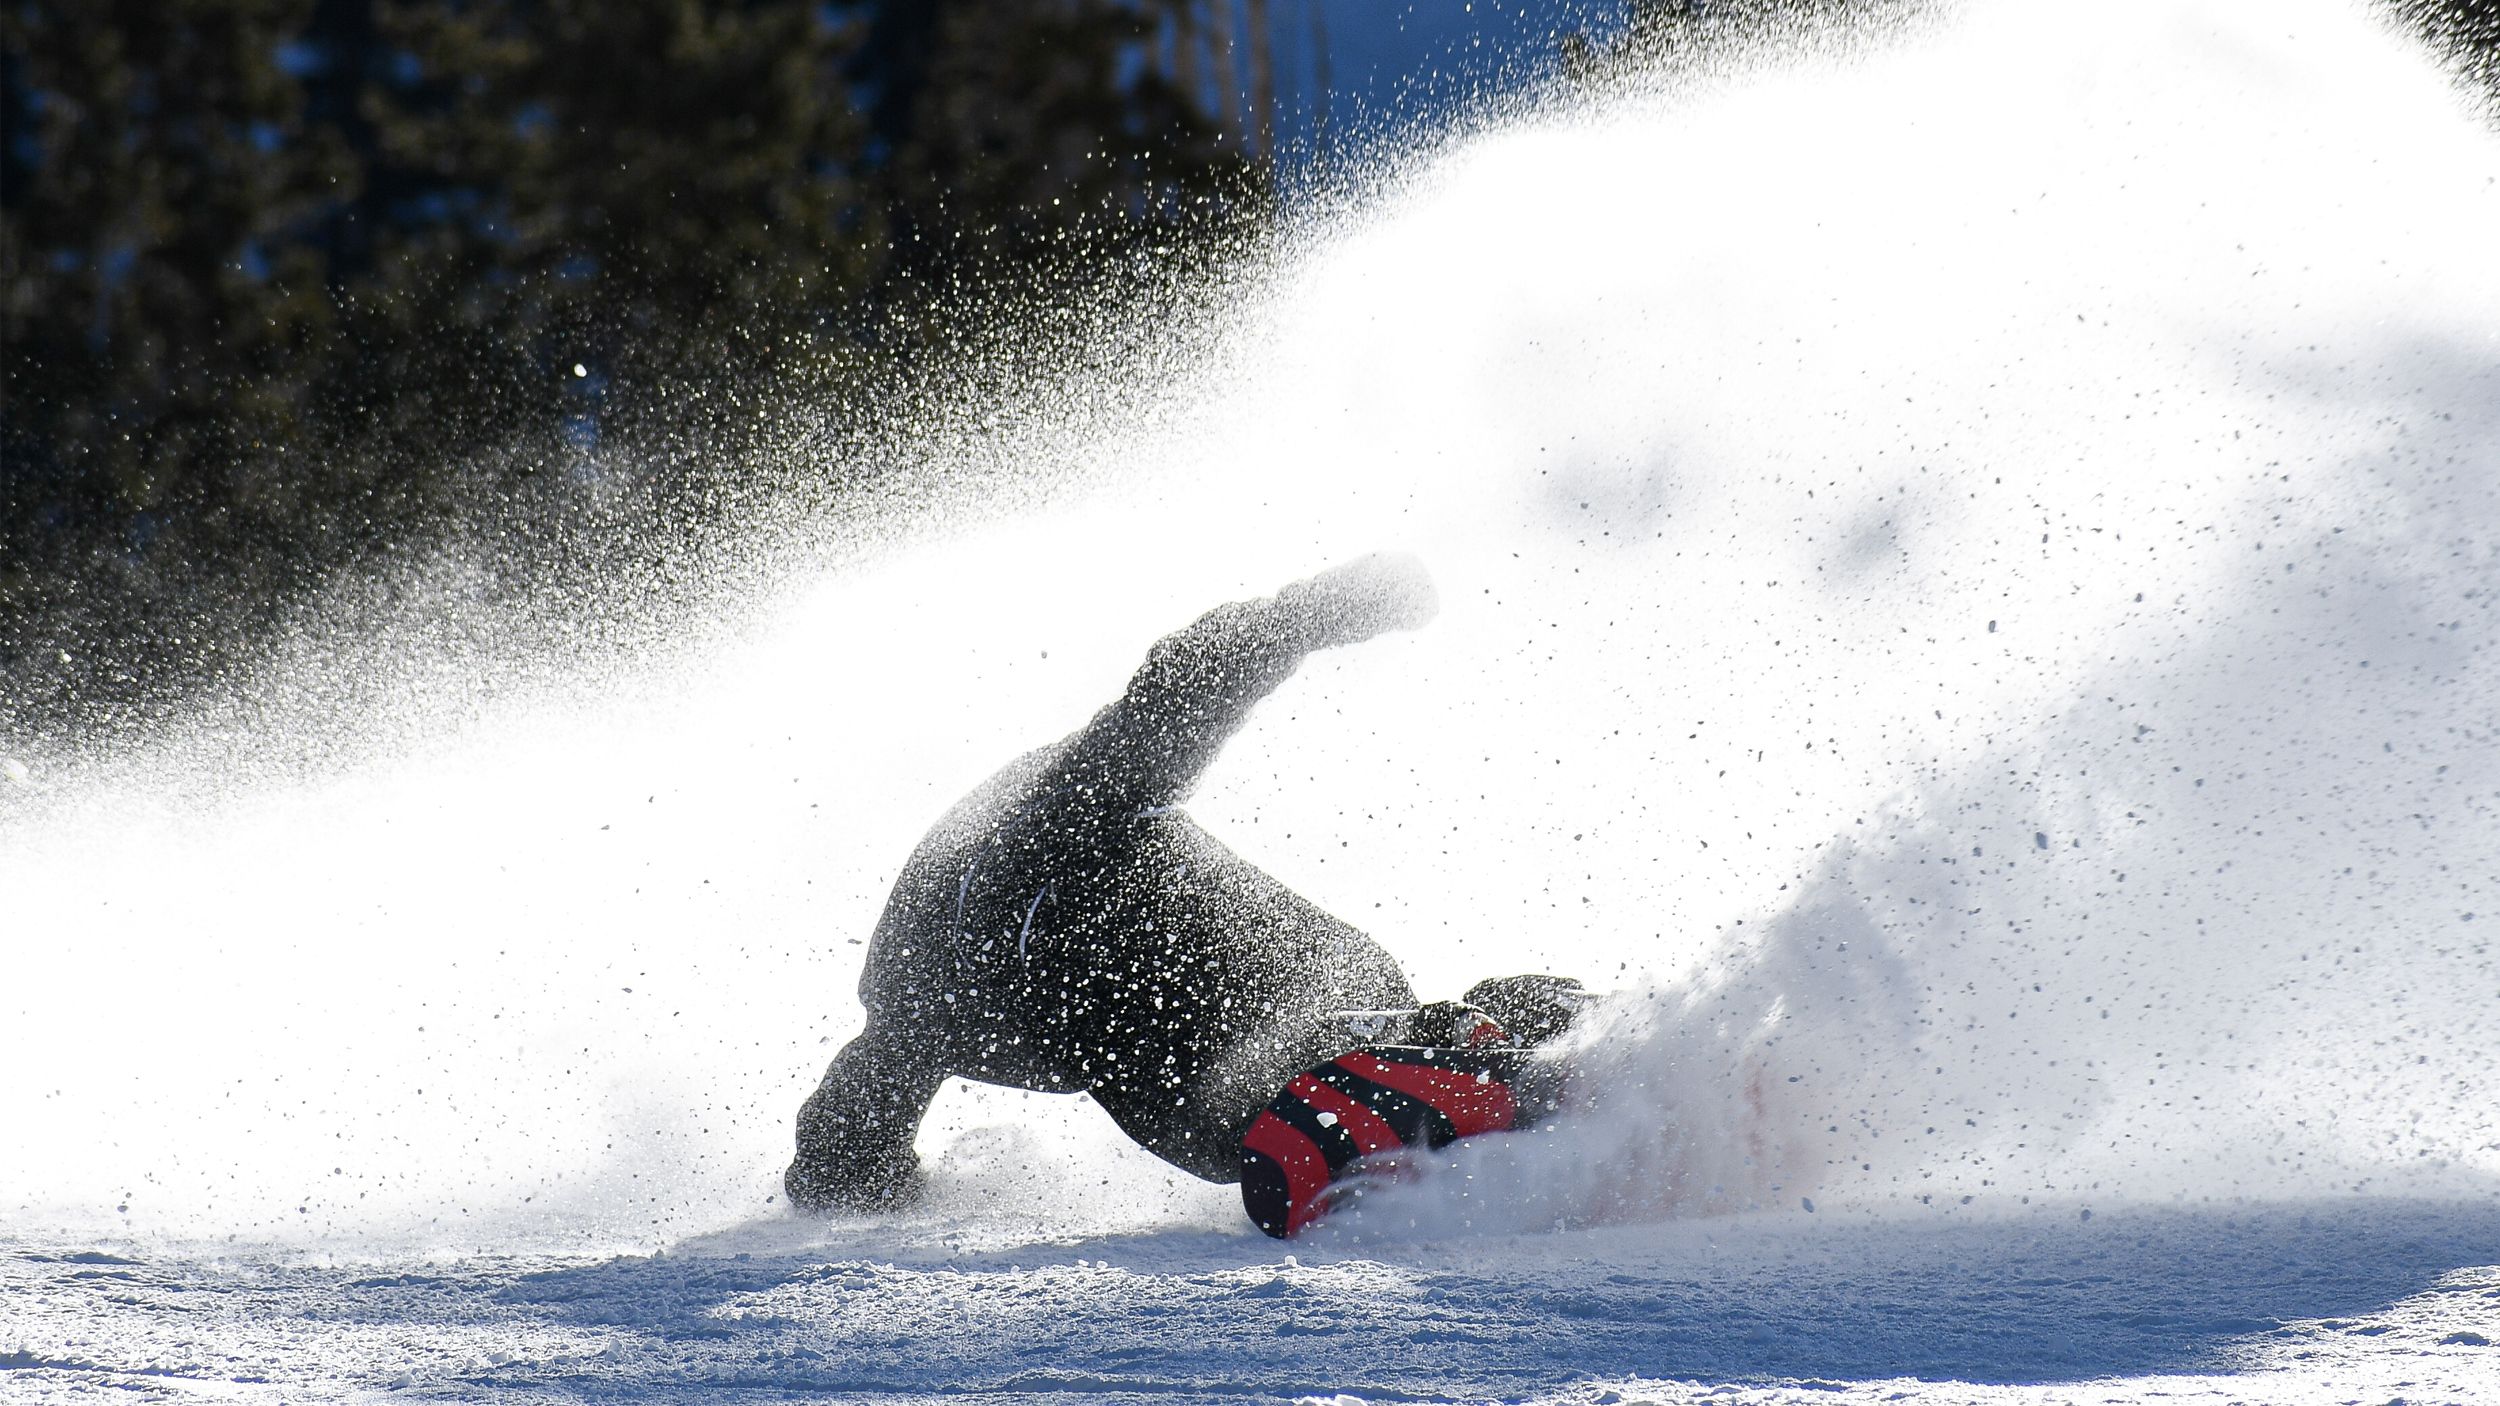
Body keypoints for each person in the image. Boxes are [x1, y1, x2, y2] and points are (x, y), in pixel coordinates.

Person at [784, 554, 1583, 1214]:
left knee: (1329, 998)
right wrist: (846, 1182)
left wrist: (1312, 612)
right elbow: (873, 1083)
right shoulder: (930, 990)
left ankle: (1510, 1034)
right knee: (1217, 1121)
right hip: (1097, 995)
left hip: (1167, 904)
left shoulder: (1075, 805)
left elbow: (1179, 690)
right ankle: (1418, 1061)